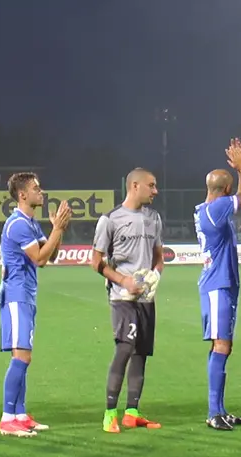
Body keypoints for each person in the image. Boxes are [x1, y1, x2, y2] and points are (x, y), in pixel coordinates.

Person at [193, 138, 241, 431]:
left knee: (224, 345)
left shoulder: (208, 209)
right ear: (225, 190)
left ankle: (220, 410)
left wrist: (238, 172)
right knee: (221, 344)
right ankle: (213, 412)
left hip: (222, 282)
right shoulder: (218, 208)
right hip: (218, 285)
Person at [90, 168, 164, 433]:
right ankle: (110, 413)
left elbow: (159, 257)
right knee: (125, 347)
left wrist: (155, 275)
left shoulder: (154, 218)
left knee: (141, 351)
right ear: (135, 186)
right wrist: (124, 281)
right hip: (122, 296)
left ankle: (132, 412)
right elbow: (96, 262)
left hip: (146, 298)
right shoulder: (110, 219)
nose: (155, 191)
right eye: (151, 186)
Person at [0, 172, 71, 437]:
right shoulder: (18, 224)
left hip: (26, 295)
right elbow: (39, 258)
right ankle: (7, 418)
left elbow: (52, 256)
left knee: (23, 357)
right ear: (22, 195)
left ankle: (20, 414)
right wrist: (57, 230)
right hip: (16, 295)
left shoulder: (30, 223)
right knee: (22, 357)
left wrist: (58, 231)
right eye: (36, 188)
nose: (41, 192)